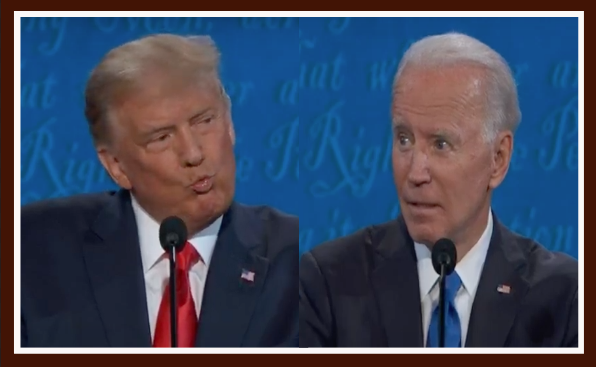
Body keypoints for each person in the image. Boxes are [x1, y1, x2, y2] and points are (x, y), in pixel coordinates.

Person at [299, 32, 578, 348]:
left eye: (441, 144)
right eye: (404, 139)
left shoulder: (564, 299)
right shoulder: (328, 284)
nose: (416, 173)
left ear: (498, 159)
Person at [21, 34, 298, 348]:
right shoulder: (31, 252)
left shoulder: (297, 260)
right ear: (116, 166)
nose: (194, 153)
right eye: (162, 138)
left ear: (230, 123)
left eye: (205, 121)